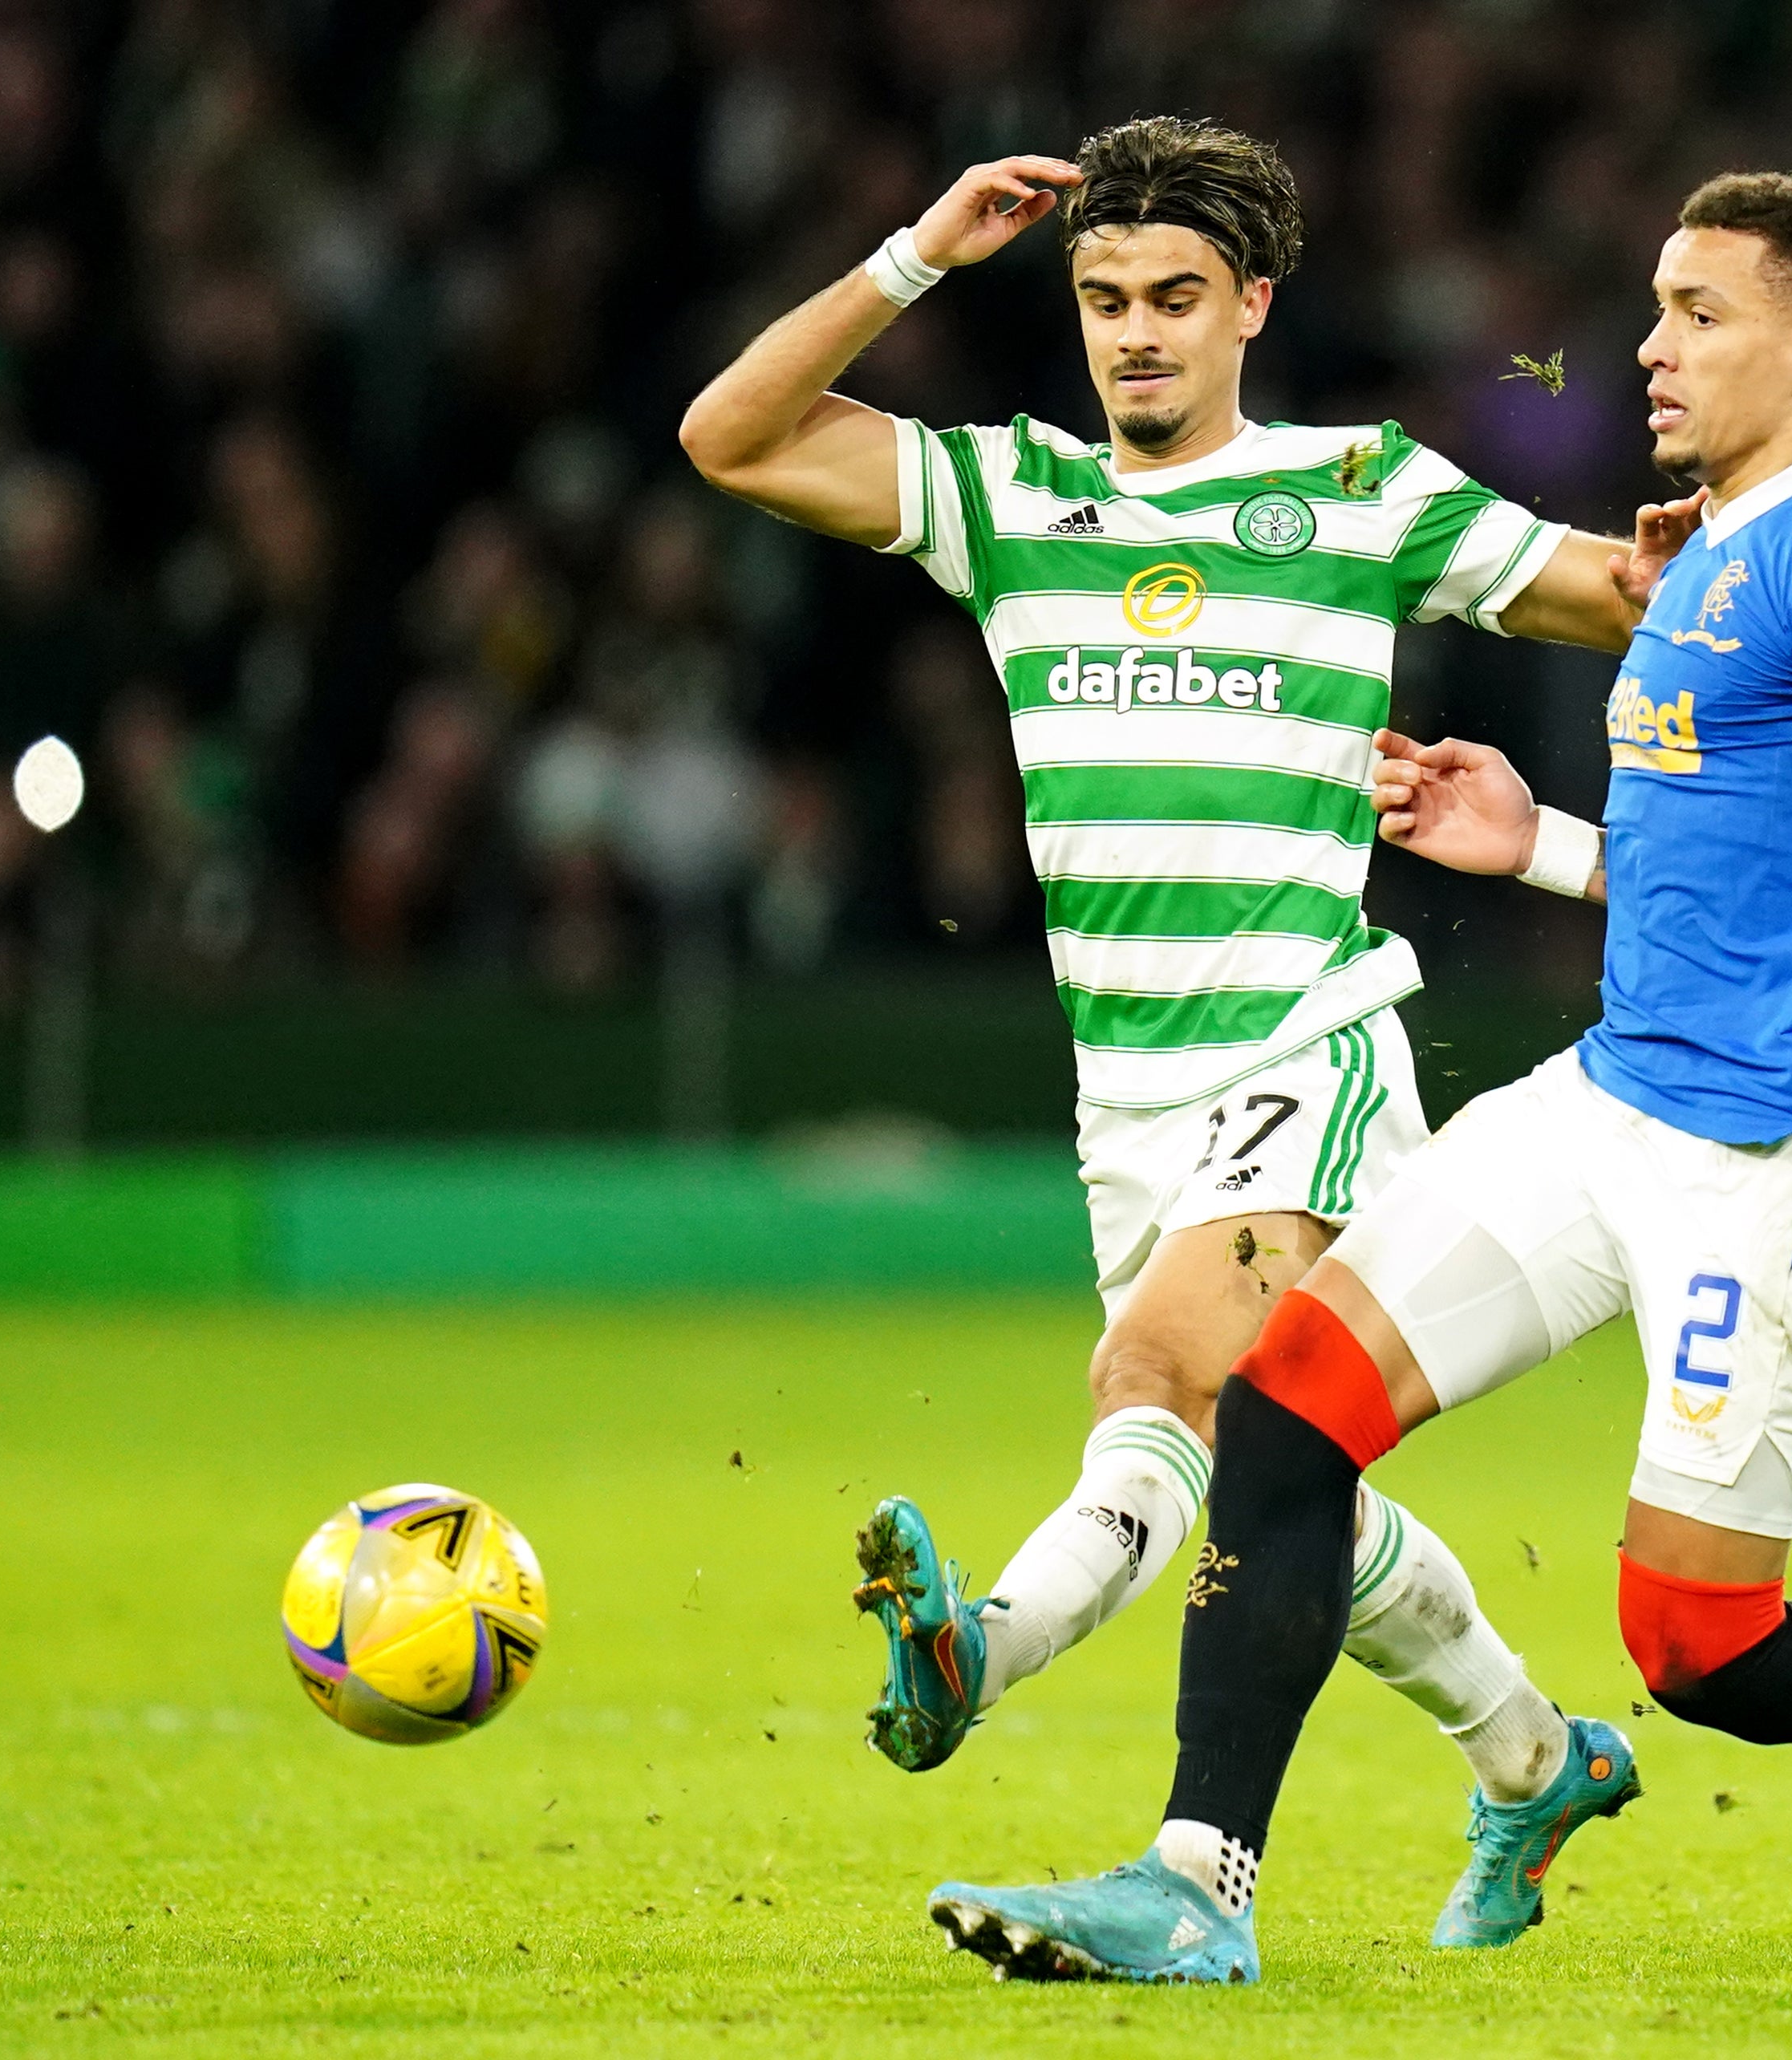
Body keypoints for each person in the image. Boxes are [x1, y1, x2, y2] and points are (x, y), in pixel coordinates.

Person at [926, 173, 1792, 1989]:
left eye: (1698, 309)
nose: (1647, 342)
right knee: (1281, 1409)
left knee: (1701, 1643)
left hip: (1775, 1157)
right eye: (1655, 302)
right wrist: (1534, 843)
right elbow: (1759, 857)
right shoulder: (1708, 547)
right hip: (1610, 1095)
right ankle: (1198, 1874)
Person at [676, 116, 1696, 1947]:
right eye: (1099, 299)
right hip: (1124, 1103)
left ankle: (979, 1651)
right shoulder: (1014, 504)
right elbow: (729, 436)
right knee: (1263, 1466)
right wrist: (918, 254)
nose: (1132, 333)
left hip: (1304, 1050)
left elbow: (1622, 599)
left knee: (1154, 1381)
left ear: (1250, 307)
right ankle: (1534, 1755)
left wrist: (1691, 565)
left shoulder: (1366, 494)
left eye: (1169, 298)